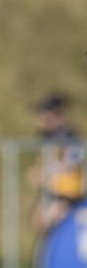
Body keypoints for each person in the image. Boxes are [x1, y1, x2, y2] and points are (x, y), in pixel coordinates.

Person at [28, 93, 82, 237]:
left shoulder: (68, 136)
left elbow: (71, 162)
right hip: (53, 190)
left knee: (52, 222)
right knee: (39, 221)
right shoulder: (46, 136)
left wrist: (47, 172)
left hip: (68, 192)